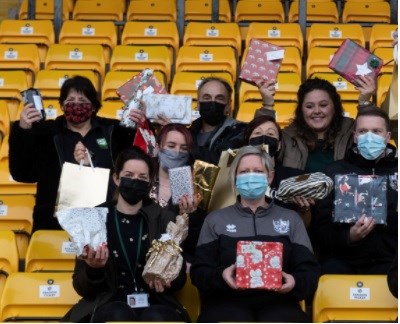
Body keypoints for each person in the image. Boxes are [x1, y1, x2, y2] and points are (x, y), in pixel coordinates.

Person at [190, 145, 320, 322]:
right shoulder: (215, 220)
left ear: (270, 177)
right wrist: (222, 276)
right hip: (226, 303)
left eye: (258, 171)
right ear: (234, 177)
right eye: (244, 171)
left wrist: (294, 282)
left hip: (280, 303)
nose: (250, 176)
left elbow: (309, 271)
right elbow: (199, 272)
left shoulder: (291, 219)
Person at [62, 147, 189, 322]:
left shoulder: (164, 218)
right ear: (116, 178)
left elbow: (179, 279)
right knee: (118, 314)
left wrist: (168, 278)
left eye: (143, 177)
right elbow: (81, 287)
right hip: (108, 302)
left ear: (150, 182)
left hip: (156, 303)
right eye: (129, 175)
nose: (136, 181)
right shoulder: (93, 219)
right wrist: (94, 269)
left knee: (157, 317)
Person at [8, 75, 145, 232]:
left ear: (93, 106)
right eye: (70, 100)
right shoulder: (46, 132)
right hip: (54, 224)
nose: (76, 105)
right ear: (62, 105)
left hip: (104, 221)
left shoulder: (114, 131)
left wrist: (140, 126)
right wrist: (23, 130)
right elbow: (22, 173)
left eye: (82, 101)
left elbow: (139, 162)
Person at [311, 107, 398, 275]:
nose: (369, 136)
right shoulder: (334, 172)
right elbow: (319, 229)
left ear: (387, 137)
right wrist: (349, 236)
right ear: (355, 137)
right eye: (363, 131)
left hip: (390, 261)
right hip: (343, 260)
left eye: (376, 131)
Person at [255, 76, 376, 173]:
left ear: (335, 107)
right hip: (296, 202)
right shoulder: (287, 137)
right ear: (301, 110)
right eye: (309, 106)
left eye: (323, 105)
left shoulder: (351, 131)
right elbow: (259, 150)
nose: (317, 111)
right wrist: (267, 105)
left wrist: (365, 102)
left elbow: (371, 131)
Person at [149, 123, 206, 264]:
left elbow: (197, 239)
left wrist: (190, 216)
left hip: (177, 263)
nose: (177, 152)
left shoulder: (195, 187)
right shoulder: (144, 178)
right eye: (171, 145)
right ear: (158, 147)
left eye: (184, 148)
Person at [189, 77, 247, 165]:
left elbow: (222, 161)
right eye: (207, 98)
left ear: (228, 105)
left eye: (219, 98)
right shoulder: (189, 133)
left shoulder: (239, 131)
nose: (213, 102)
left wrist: (186, 147)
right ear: (198, 103)